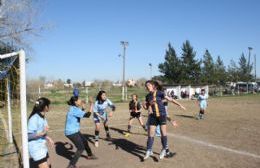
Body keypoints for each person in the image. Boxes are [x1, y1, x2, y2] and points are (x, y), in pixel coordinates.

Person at [143, 80, 186, 160]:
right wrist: (144, 105)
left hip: (162, 115)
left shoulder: (160, 93)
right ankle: (149, 150)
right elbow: (146, 107)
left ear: (153, 86)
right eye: (146, 86)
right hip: (153, 116)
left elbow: (170, 99)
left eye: (148, 85)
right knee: (150, 134)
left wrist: (180, 105)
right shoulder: (148, 96)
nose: (147, 87)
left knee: (163, 133)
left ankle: (164, 149)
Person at [65, 96, 97, 168]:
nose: (81, 100)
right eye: (79, 99)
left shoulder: (74, 108)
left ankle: (90, 155)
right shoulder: (74, 110)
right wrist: (92, 105)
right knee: (80, 148)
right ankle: (71, 165)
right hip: (71, 132)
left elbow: (80, 113)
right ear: (75, 102)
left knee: (85, 142)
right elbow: (87, 115)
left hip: (75, 131)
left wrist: (83, 106)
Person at [28, 97, 54, 168]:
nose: (50, 107)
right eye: (49, 105)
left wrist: (48, 138)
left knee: (49, 164)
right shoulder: (34, 118)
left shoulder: (42, 117)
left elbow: (40, 132)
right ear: (45, 107)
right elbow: (28, 136)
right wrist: (43, 133)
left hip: (42, 147)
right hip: (36, 148)